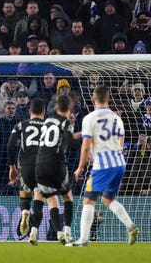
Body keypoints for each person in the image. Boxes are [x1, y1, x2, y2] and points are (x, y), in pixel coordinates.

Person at [69, 85, 138, 247]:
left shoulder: (89, 118)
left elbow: (85, 146)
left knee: (89, 200)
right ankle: (130, 226)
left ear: (93, 98)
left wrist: (80, 167)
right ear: (108, 99)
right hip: (119, 163)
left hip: (103, 165)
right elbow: (121, 142)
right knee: (108, 199)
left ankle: (83, 239)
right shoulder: (116, 118)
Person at [32, 94, 79, 245]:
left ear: (56, 106)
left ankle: (40, 232)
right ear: (70, 108)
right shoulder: (67, 123)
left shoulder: (48, 120)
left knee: (46, 198)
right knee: (67, 197)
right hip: (56, 164)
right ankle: (67, 232)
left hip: (40, 163)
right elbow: (71, 142)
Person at [8, 97, 46, 238]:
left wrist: (12, 167)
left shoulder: (21, 125)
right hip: (44, 165)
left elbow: (10, 145)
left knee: (25, 198)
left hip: (26, 165)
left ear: (30, 110)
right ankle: (32, 231)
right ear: (44, 111)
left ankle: (25, 212)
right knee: (40, 201)